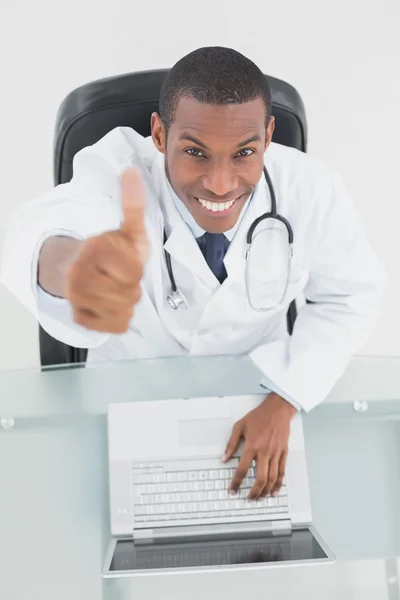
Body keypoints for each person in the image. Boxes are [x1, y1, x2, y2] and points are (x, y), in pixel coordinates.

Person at [0, 47, 387, 500]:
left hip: (257, 414)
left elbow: (351, 298)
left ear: (268, 134)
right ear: (160, 135)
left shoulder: (311, 189)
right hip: (125, 416)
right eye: (195, 152)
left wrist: (287, 397)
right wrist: (70, 267)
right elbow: (49, 225)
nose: (221, 183)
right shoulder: (117, 170)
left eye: (245, 152)